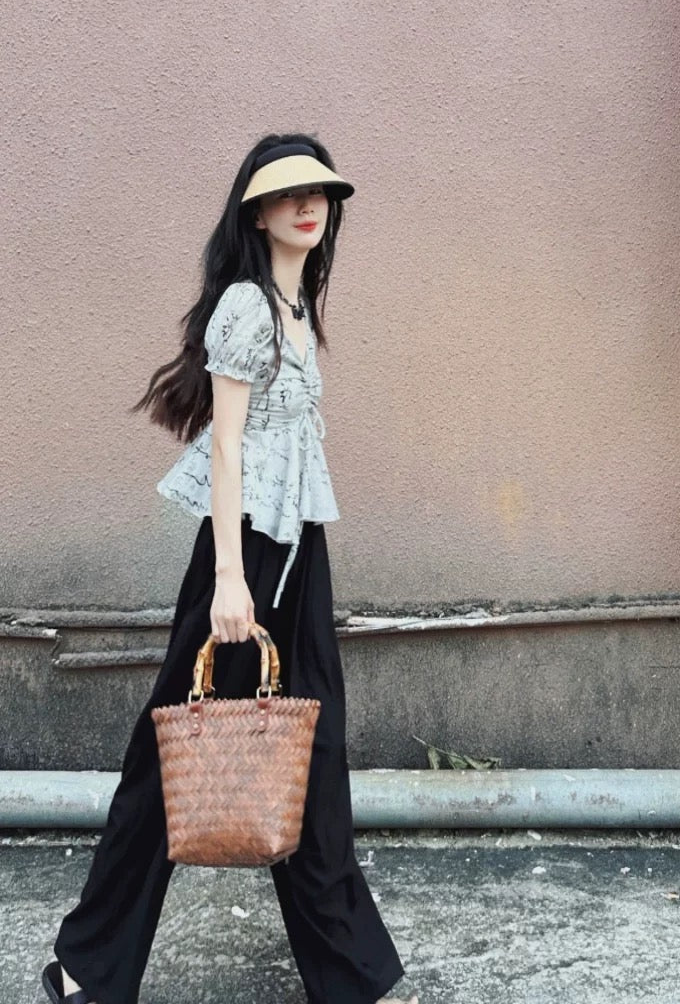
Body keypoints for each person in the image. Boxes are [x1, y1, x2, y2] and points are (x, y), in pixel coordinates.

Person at [41, 132, 419, 1004]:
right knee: (168, 760)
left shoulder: (296, 307)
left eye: (319, 192)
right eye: (287, 193)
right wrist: (229, 579)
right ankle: (86, 965)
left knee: (311, 749)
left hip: (296, 548)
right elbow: (227, 449)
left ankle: (349, 976)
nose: (308, 205)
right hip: (245, 552)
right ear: (255, 213)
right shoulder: (248, 307)